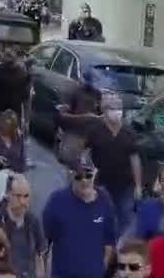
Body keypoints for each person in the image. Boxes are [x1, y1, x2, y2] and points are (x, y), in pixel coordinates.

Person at [55, 93, 141, 236]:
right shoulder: (95, 131)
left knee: (126, 218)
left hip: (125, 185)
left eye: (119, 108)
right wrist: (79, 168)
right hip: (102, 183)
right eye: (113, 108)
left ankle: (120, 245)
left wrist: (138, 186)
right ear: (105, 111)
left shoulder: (129, 133)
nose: (117, 111)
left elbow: (135, 158)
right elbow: (79, 149)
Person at [41, 153, 117, 278]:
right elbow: (44, 244)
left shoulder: (105, 200)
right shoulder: (56, 201)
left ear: (95, 174)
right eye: (79, 177)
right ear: (70, 175)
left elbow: (109, 242)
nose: (84, 180)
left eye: (88, 176)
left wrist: (101, 270)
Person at [0, 174, 47, 278]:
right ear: (8, 195)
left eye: (26, 196)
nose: (23, 202)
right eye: (18, 196)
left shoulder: (33, 221)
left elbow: (40, 254)